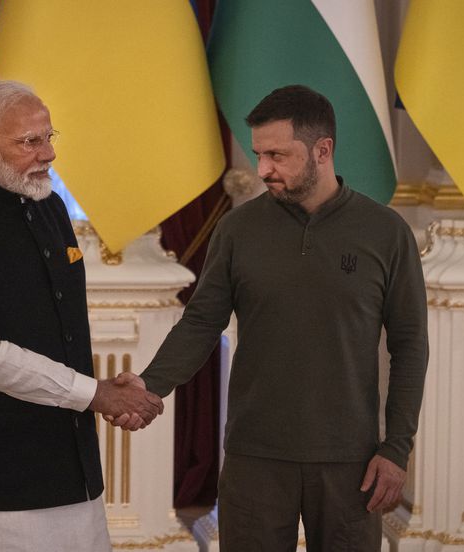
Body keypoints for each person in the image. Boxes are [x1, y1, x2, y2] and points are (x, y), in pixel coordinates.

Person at [114, 85, 428, 551]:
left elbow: (410, 345)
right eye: (259, 154)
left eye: (277, 155)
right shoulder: (238, 230)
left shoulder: (386, 233)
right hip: (253, 457)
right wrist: (149, 384)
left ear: (324, 150)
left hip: (351, 461)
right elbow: (202, 322)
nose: (263, 170)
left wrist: (396, 447)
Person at [0, 80, 163, 552]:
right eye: (29, 142)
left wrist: (104, 394)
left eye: (49, 137)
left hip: (67, 470)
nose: (48, 154)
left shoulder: (49, 205)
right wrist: (96, 393)